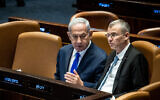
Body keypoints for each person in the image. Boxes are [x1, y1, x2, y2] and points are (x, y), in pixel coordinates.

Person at [96, 19, 149, 97]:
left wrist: (115, 98)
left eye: (113, 35)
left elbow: (140, 90)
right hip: (98, 95)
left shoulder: (136, 57)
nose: (109, 39)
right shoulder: (112, 54)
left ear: (126, 36)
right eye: (108, 35)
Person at [54, 17, 107, 88]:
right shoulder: (63, 51)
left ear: (90, 34)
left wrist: (82, 84)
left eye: (83, 36)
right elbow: (58, 77)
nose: (79, 41)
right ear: (69, 36)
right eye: (75, 36)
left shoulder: (101, 58)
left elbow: (101, 87)